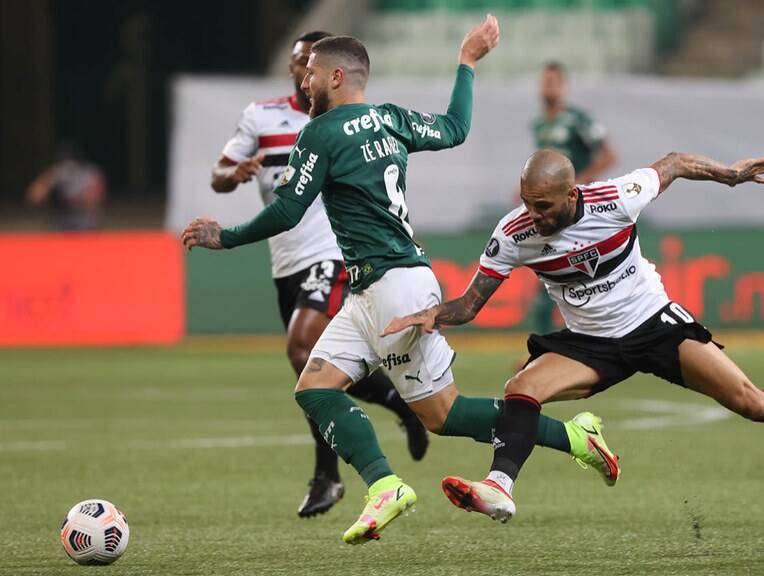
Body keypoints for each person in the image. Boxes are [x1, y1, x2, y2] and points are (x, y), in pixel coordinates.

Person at [182, 18, 616, 545]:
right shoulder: (390, 120)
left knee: (443, 414)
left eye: (312, 74)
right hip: (375, 288)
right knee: (316, 390)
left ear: (337, 76)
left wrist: (222, 237)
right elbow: (455, 128)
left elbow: (289, 210)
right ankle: (387, 484)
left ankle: (572, 438)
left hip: (394, 289)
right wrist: (467, 62)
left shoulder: (319, 133)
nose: (304, 83)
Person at [382, 149, 764, 523]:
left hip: (655, 326)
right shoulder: (514, 234)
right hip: (592, 343)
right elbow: (471, 303)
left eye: (544, 206)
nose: (534, 215)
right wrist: (435, 315)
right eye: (528, 204)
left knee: (751, 402)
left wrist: (728, 176)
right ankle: (500, 486)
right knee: (521, 389)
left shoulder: (616, 199)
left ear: (572, 195)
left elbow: (674, 163)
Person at [210, 30, 428, 519]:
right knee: (308, 362)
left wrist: (222, 237)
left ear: (329, 70)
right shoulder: (260, 117)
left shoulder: (339, 121)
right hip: (284, 259)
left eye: (311, 64)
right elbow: (218, 175)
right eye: (297, 63)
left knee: (300, 348)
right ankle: (396, 401)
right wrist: (235, 174)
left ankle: (329, 474)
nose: (302, 71)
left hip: (329, 251)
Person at [528, 61, 617, 335]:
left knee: (587, 274)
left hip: (581, 209)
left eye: (553, 82)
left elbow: (609, 156)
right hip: (554, 214)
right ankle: (545, 345)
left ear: (564, 86)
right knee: (547, 277)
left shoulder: (578, 120)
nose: (548, 87)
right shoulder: (540, 125)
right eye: (544, 81)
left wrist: (577, 182)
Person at [25, 143, 106, 231]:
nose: (69, 167)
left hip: (87, 223)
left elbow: (94, 199)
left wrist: (73, 200)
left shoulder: (91, 172)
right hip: (64, 223)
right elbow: (34, 196)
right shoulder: (59, 172)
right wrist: (49, 178)